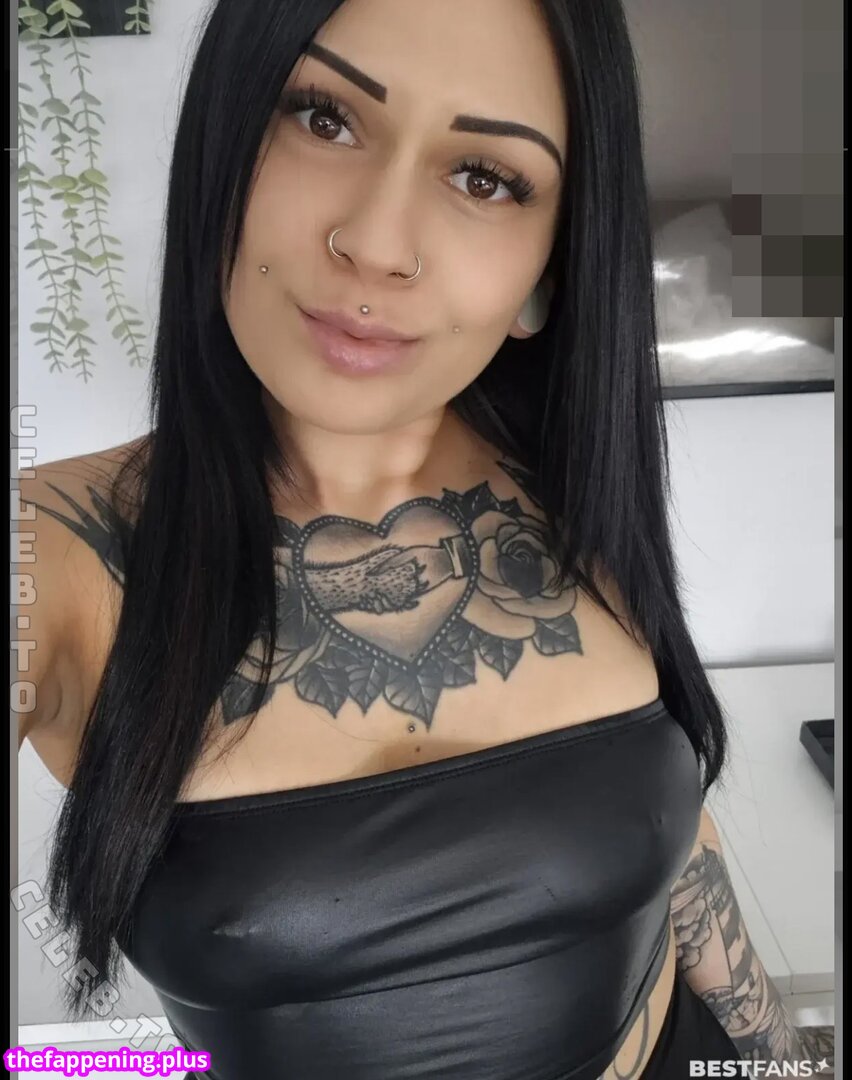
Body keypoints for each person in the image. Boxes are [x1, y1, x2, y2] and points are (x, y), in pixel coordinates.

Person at [16, 0, 811, 1076]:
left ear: (548, 267)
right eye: (324, 117)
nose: (378, 246)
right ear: (225, 138)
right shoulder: (59, 548)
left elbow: (675, 849)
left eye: (485, 178)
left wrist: (782, 1061)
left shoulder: (574, 478)